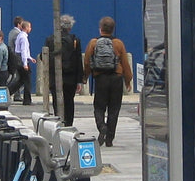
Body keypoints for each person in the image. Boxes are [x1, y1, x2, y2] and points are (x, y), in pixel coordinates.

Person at [83, 16, 132, 146]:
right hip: (116, 78)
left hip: (101, 78)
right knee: (114, 109)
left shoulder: (93, 43)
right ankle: (109, 139)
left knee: (99, 107)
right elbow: (125, 64)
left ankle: (101, 126)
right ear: (112, 29)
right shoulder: (119, 43)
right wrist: (128, 80)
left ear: (100, 29)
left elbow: (87, 61)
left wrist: (85, 76)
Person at [44, 14, 85, 126]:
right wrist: (79, 80)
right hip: (70, 78)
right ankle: (69, 125)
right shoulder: (75, 40)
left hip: (55, 78)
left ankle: (59, 124)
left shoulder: (50, 39)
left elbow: (44, 58)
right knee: (69, 102)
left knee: (57, 102)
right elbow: (78, 61)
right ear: (70, 27)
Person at [14, 20, 35, 105]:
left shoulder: (20, 36)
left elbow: (24, 51)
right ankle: (27, 100)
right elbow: (23, 51)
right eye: (29, 27)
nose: (30, 28)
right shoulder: (24, 38)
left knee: (21, 80)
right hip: (21, 61)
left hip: (19, 59)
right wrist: (25, 63)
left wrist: (30, 58)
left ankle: (8, 91)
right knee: (27, 81)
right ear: (26, 28)